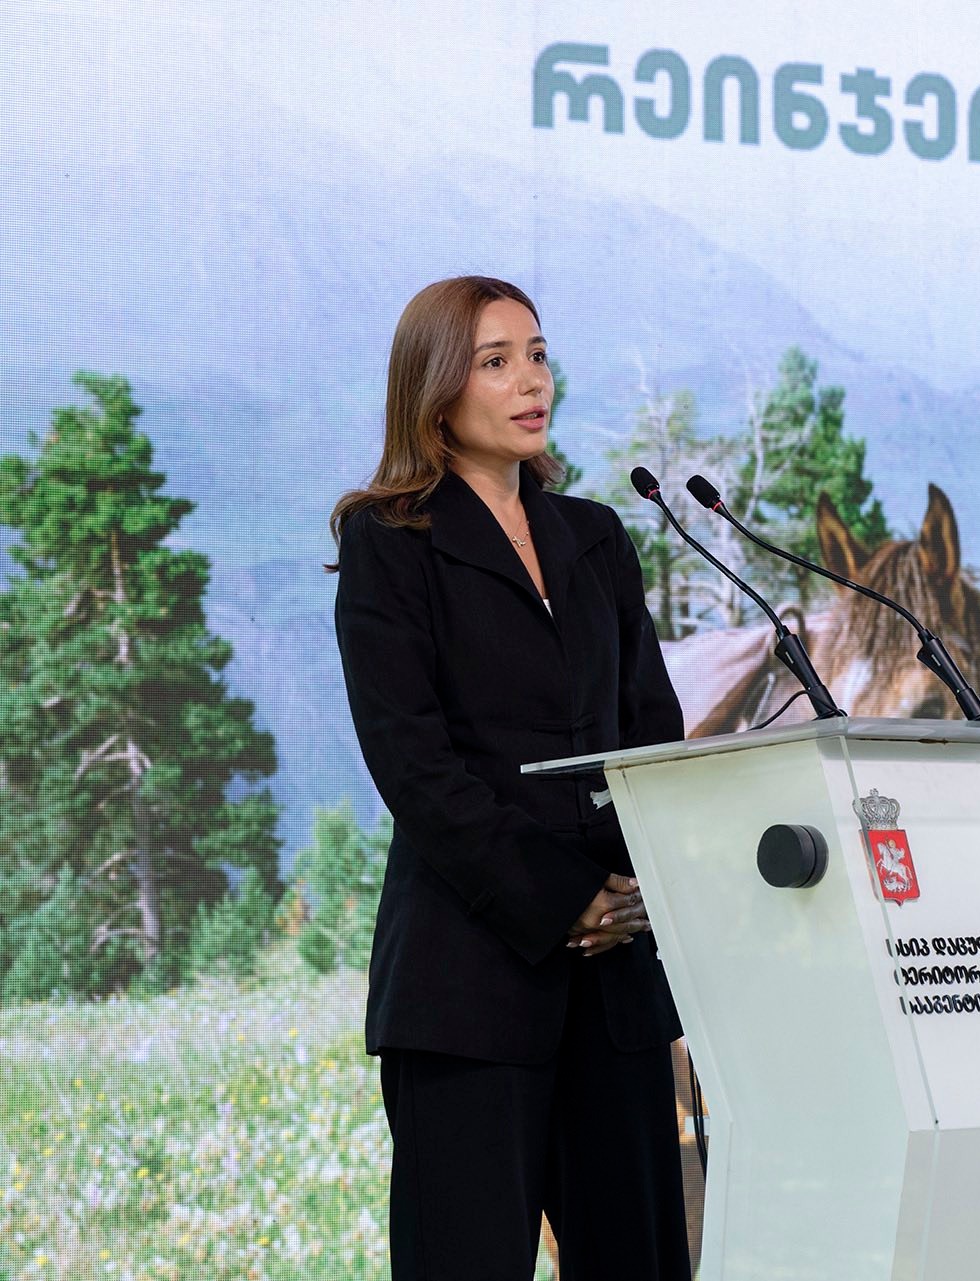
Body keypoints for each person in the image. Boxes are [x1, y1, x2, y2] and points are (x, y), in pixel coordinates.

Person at [329, 276, 691, 1280]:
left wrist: (627, 889)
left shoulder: (596, 536)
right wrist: (564, 897)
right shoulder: (389, 542)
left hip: (613, 982)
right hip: (468, 986)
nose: (532, 381)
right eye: (496, 362)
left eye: (537, 354)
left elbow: (650, 733)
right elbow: (416, 767)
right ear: (436, 389)